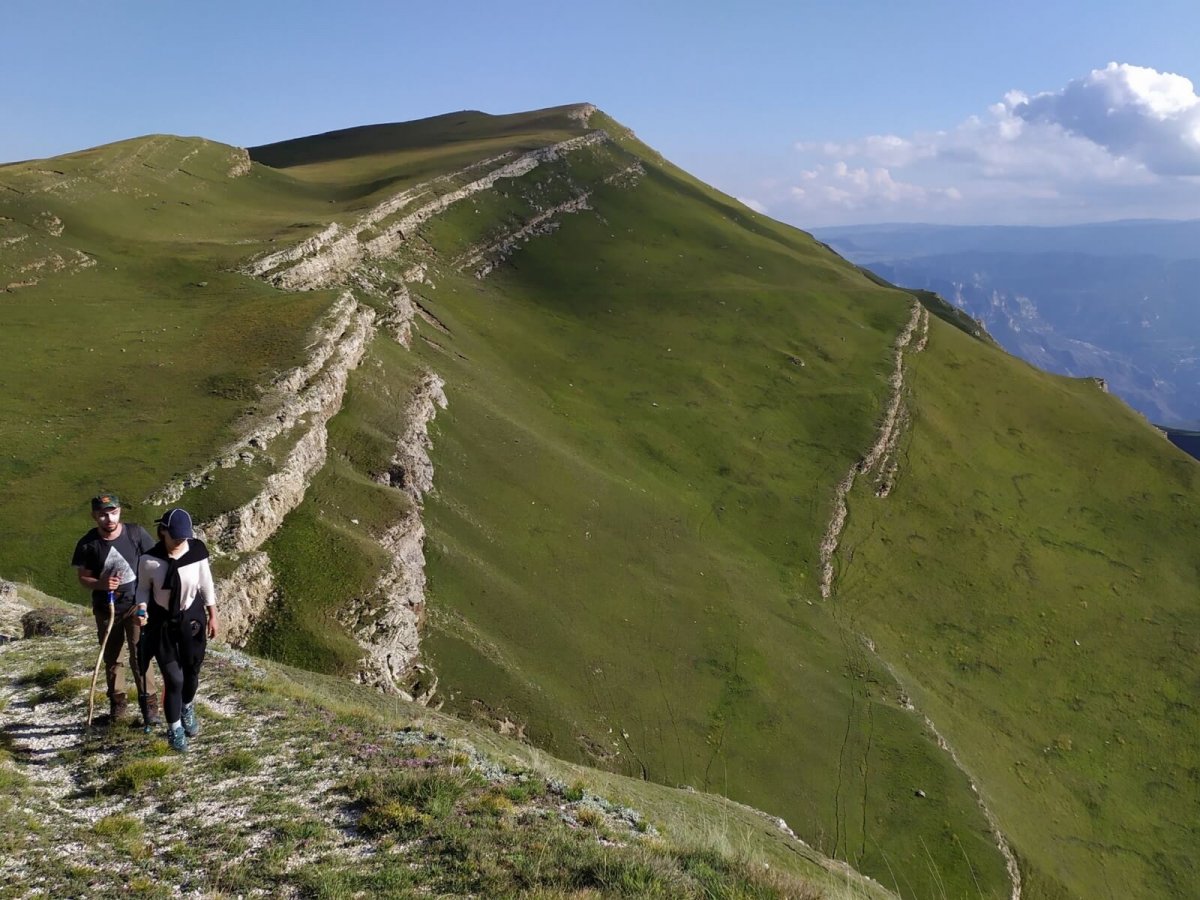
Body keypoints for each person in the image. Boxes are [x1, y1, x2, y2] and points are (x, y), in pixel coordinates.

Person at [71, 491, 161, 727]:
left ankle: (149, 706)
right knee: (112, 658)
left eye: (113, 513)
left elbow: (153, 563)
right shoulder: (88, 544)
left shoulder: (135, 534)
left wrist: (150, 600)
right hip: (106, 610)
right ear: (94, 516)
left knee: (141, 655)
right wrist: (101, 584)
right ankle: (117, 705)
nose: (109, 519)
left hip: (135, 605)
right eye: (103, 515)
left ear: (119, 511)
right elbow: (83, 578)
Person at [135, 507, 219, 752]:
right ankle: (174, 730)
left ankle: (187, 707)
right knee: (174, 678)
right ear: (163, 532)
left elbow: (206, 584)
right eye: (176, 537)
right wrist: (142, 608)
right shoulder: (149, 561)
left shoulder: (197, 552)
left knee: (192, 672)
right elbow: (143, 589)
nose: (181, 542)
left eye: (184, 538)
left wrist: (213, 614)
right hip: (162, 623)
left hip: (191, 618)